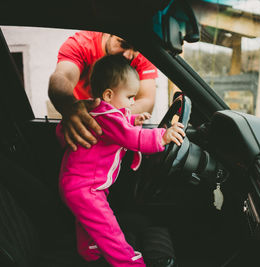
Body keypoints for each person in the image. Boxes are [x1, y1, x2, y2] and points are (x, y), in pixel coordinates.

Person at [56, 55, 185, 267]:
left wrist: (133, 119)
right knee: (108, 229)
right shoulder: (108, 118)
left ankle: (88, 252)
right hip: (86, 188)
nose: (133, 102)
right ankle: (129, 262)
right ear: (109, 95)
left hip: (76, 185)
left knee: (88, 222)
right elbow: (131, 137)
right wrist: (162, 136)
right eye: (130, 97)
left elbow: (119, 127)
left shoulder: (99, 113)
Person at [49, 31, 159, 151]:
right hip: (82, 123)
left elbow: (146, 100)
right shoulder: (81, 44)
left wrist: (110, 119)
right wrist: (68, 106)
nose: (129, 55)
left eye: (136, 49)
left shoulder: (140, 56)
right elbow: (62, 76)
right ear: (107, 33)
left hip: (115, 129)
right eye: (123, 44)